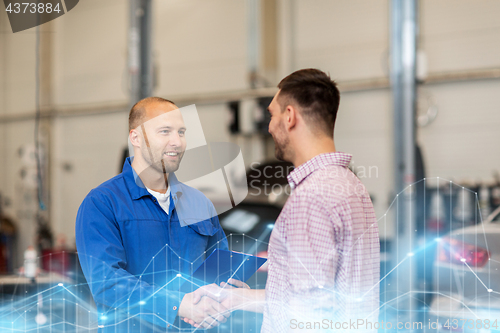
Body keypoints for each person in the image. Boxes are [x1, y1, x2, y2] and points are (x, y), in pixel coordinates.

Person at [187, 69, 380, 332]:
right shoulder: (351, 185)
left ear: (289, 117)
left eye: (271, 114)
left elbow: (311, 312)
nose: (269, 126)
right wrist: (237, 299)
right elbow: (316, 296)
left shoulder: (311, 197)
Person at [75, 97, 232, 332]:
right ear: (135, 137)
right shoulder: (103, 204)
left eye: (181, 132)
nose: (177, 142)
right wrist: (177, 305)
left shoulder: (200, 204)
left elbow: (222, 267)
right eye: (165, 131)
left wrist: (231, 289)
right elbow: (106, 282)